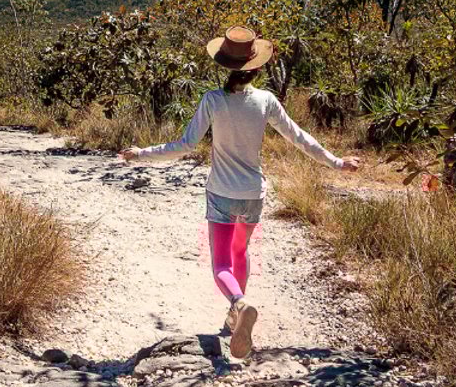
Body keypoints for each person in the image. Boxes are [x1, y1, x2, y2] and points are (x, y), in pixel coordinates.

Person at [118, 25, 360, 357]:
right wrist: (336, 162)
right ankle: (235, 319)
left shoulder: (213, 101)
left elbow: (186, 144)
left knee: (220, 265)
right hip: (253, 194)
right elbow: (299, 138)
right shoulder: (266, 101)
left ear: (224, 66)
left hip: (221, 193)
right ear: (256, 67)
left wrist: (142, 153)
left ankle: (238, 303)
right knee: (240, 253)